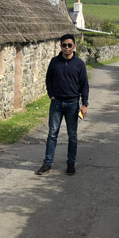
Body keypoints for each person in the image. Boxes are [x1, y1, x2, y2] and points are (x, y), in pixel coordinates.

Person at [36, 33, 89, 176]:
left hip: (72, 104)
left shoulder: (79, 64)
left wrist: (84, 104)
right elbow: (49, 79)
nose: (66, 48)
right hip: (57, 103)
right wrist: (51, 94)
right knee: (52, 134)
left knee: (72, 135)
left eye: (69, 45)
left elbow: (84, 85)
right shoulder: (54, 62)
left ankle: (71, 164)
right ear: (60, 46)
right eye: (64, 45)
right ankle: (47, 164)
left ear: (74, 47)